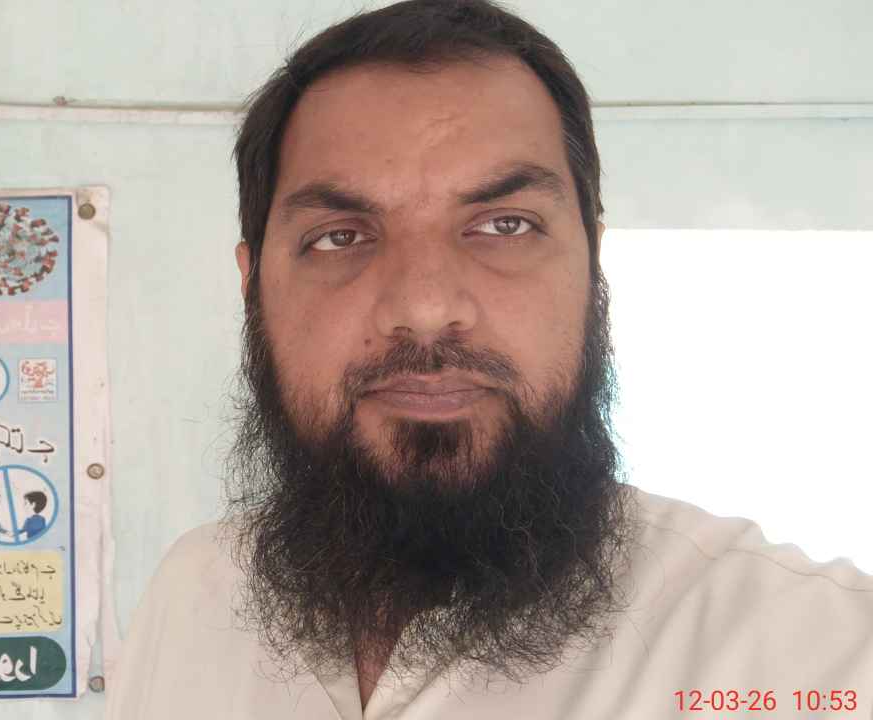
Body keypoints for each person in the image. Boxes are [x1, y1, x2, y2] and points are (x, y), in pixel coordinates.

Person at [106, 2, 873, 718]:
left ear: (592, 267)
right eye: (340, 237)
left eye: (505, 225)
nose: (425, 306)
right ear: (252, 287)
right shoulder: (191, 595)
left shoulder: (813, 654)